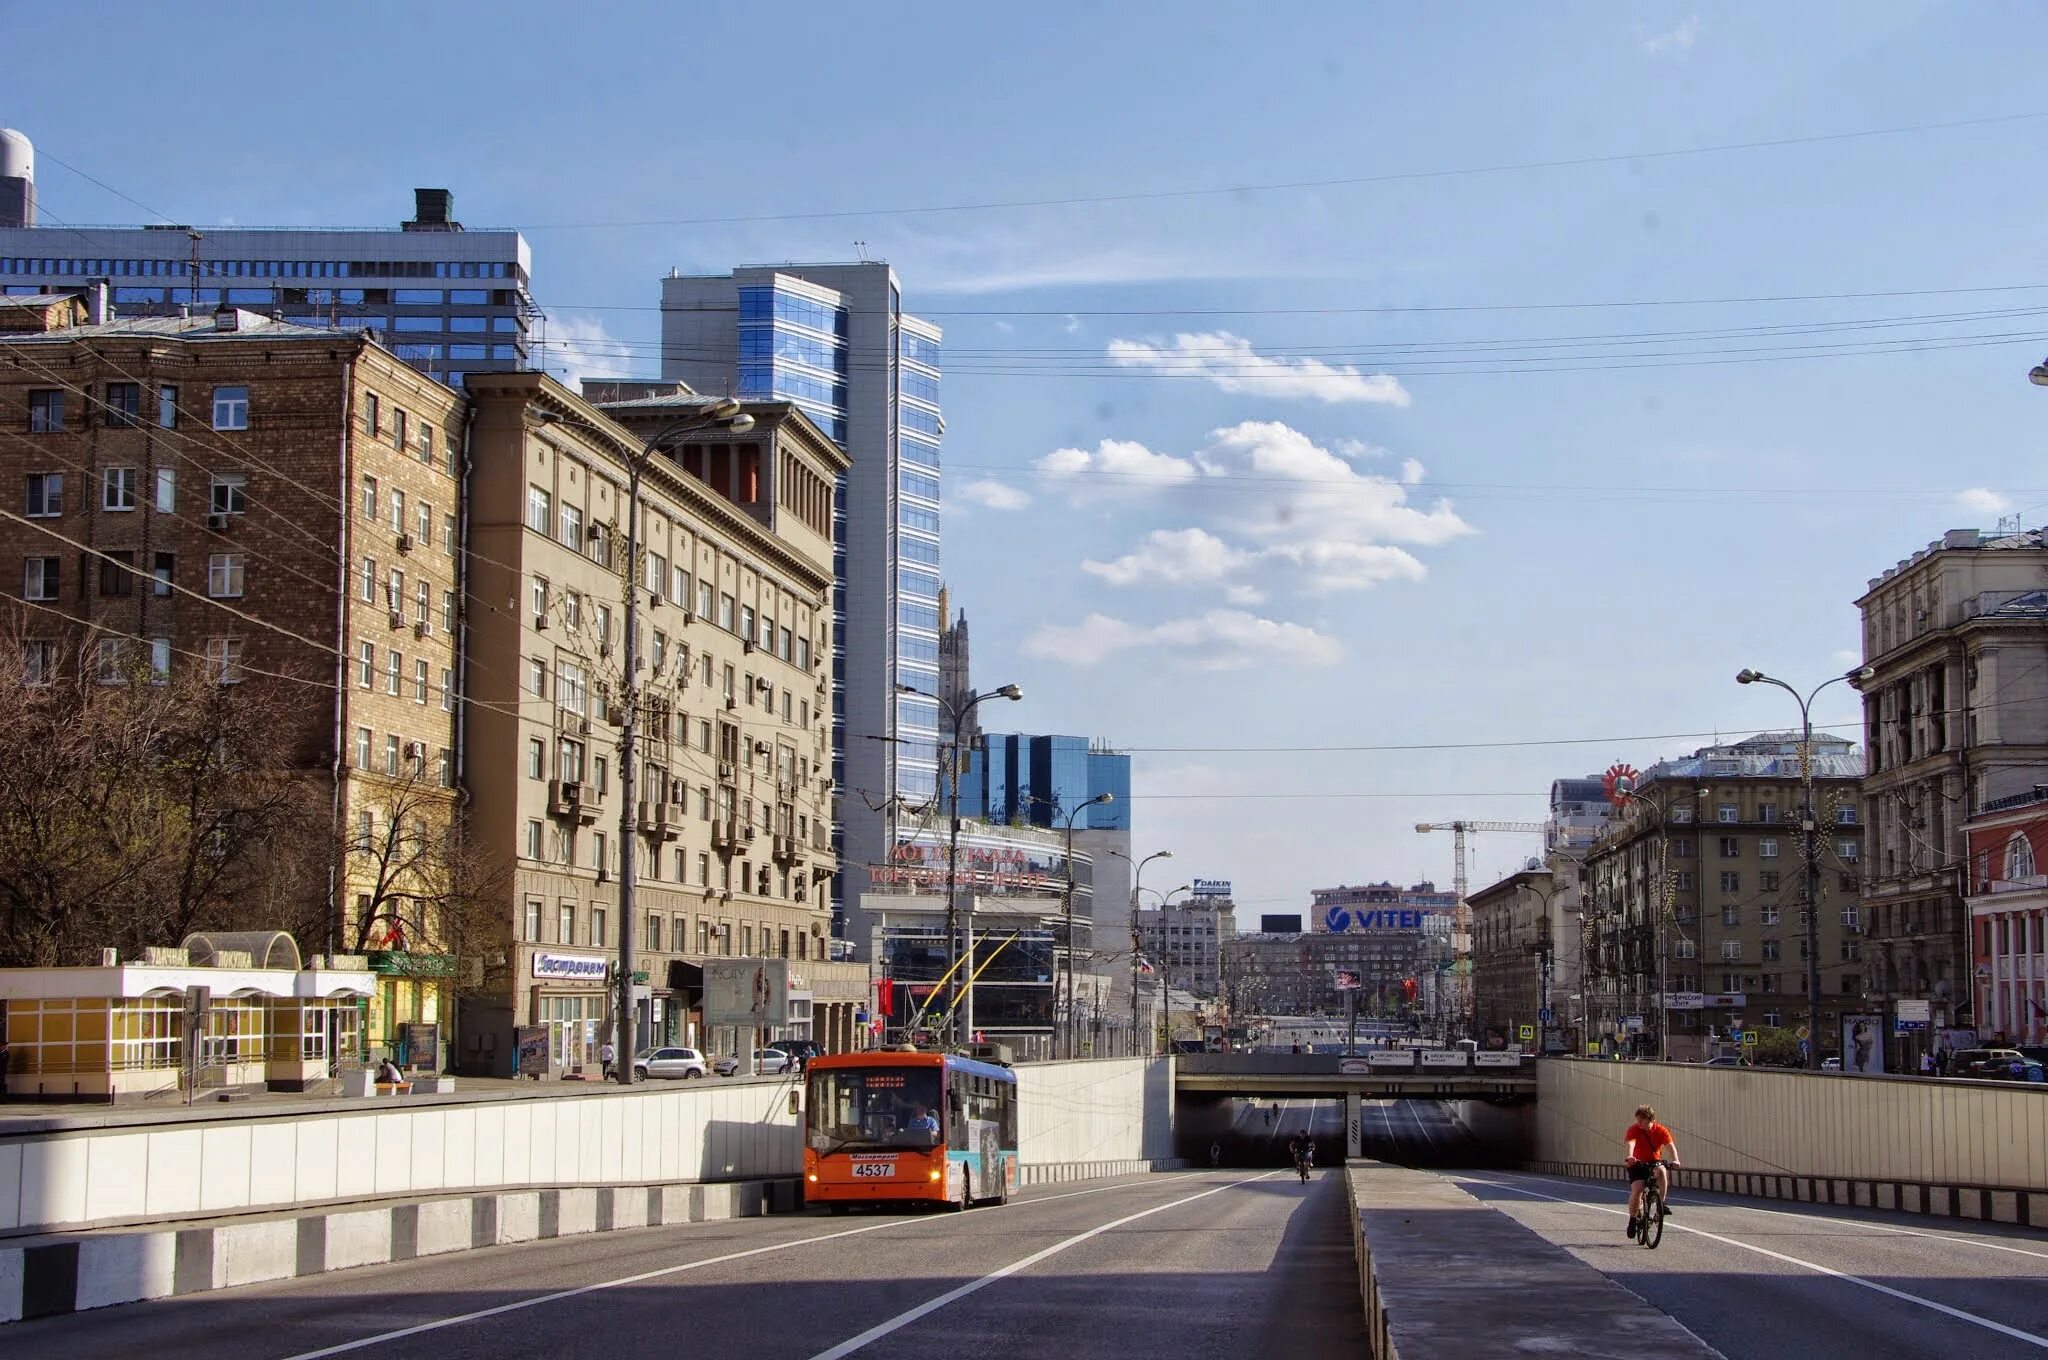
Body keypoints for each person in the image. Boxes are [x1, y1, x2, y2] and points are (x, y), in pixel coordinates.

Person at [1623, 1104, 1681, 1240]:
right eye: (1638, 1120)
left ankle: (1662, 1203)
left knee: (1662, 1169)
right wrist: (1631, 1156)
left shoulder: (1661, 1131)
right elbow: (1631, 1142)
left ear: (1649, 1119)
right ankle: (1632, 1219)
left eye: (1641, 1121)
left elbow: (1670, 1146)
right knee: (1637, 1189)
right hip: (1637, 1162)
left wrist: (1676, 1160)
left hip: (1653, 1162)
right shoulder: (1634, 1129)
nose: (1638, 1123)